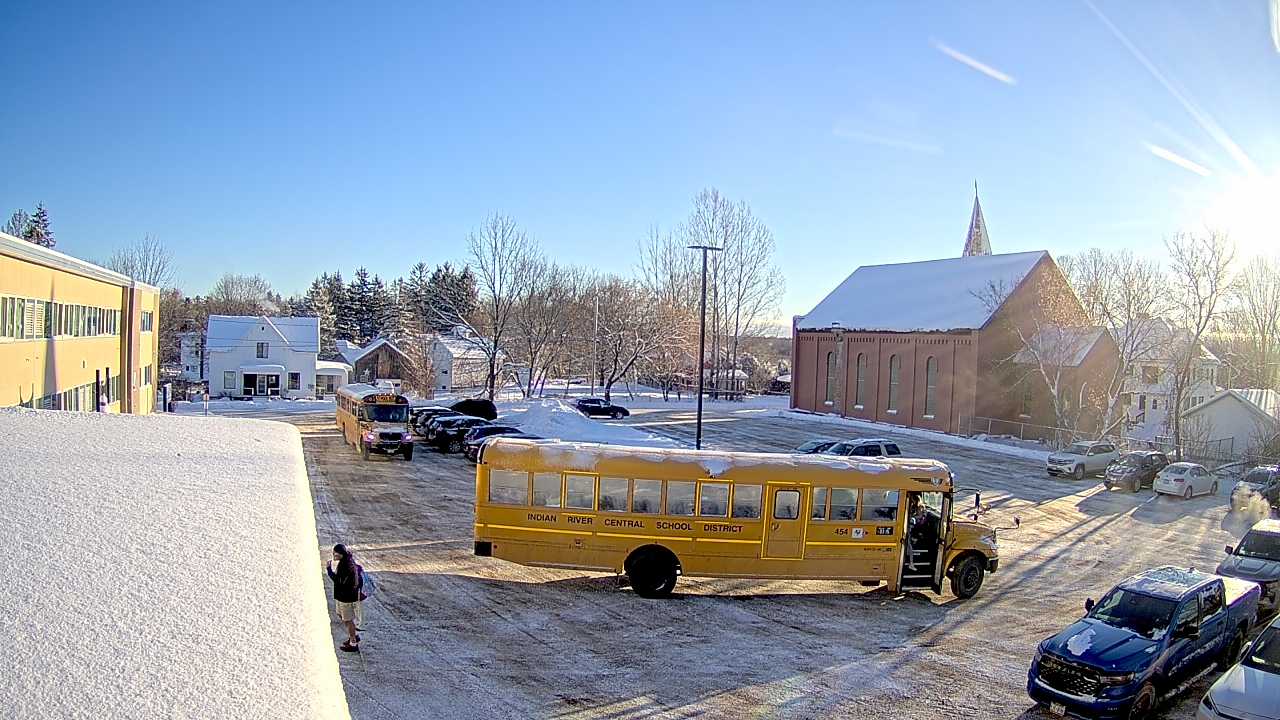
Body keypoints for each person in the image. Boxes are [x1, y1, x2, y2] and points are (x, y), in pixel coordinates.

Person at [327, 544, 361, 652]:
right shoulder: (346, 561)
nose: (333, 554)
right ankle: (353, 636)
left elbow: (338, 580)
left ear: (340, 553)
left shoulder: (345, 565)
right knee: (340, 615)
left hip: (346, 597)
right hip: (342, 596)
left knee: (348, 620)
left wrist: (329, 570)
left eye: (335, 552)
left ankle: (353, 643)